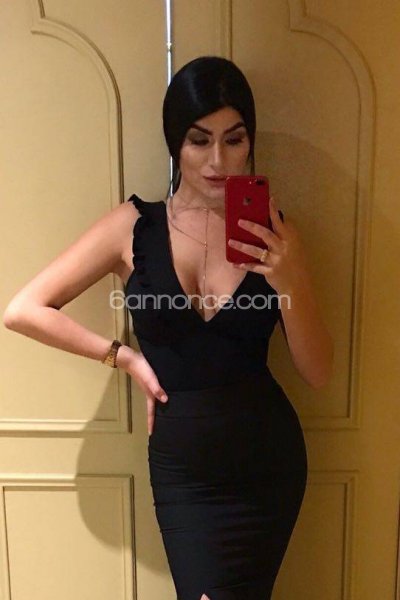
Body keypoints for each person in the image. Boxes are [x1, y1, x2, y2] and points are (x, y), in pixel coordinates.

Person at [3, 55, 334, 599]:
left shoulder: (274, 234)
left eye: (234, 139)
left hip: (266, 462)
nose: (218, 160)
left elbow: (317, 371)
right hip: (185, 476)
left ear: (250, 142)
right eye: (199, 140)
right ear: (175, 143)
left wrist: (291, 274)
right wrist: (125, 357)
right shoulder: (133, 227)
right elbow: (23, 309)